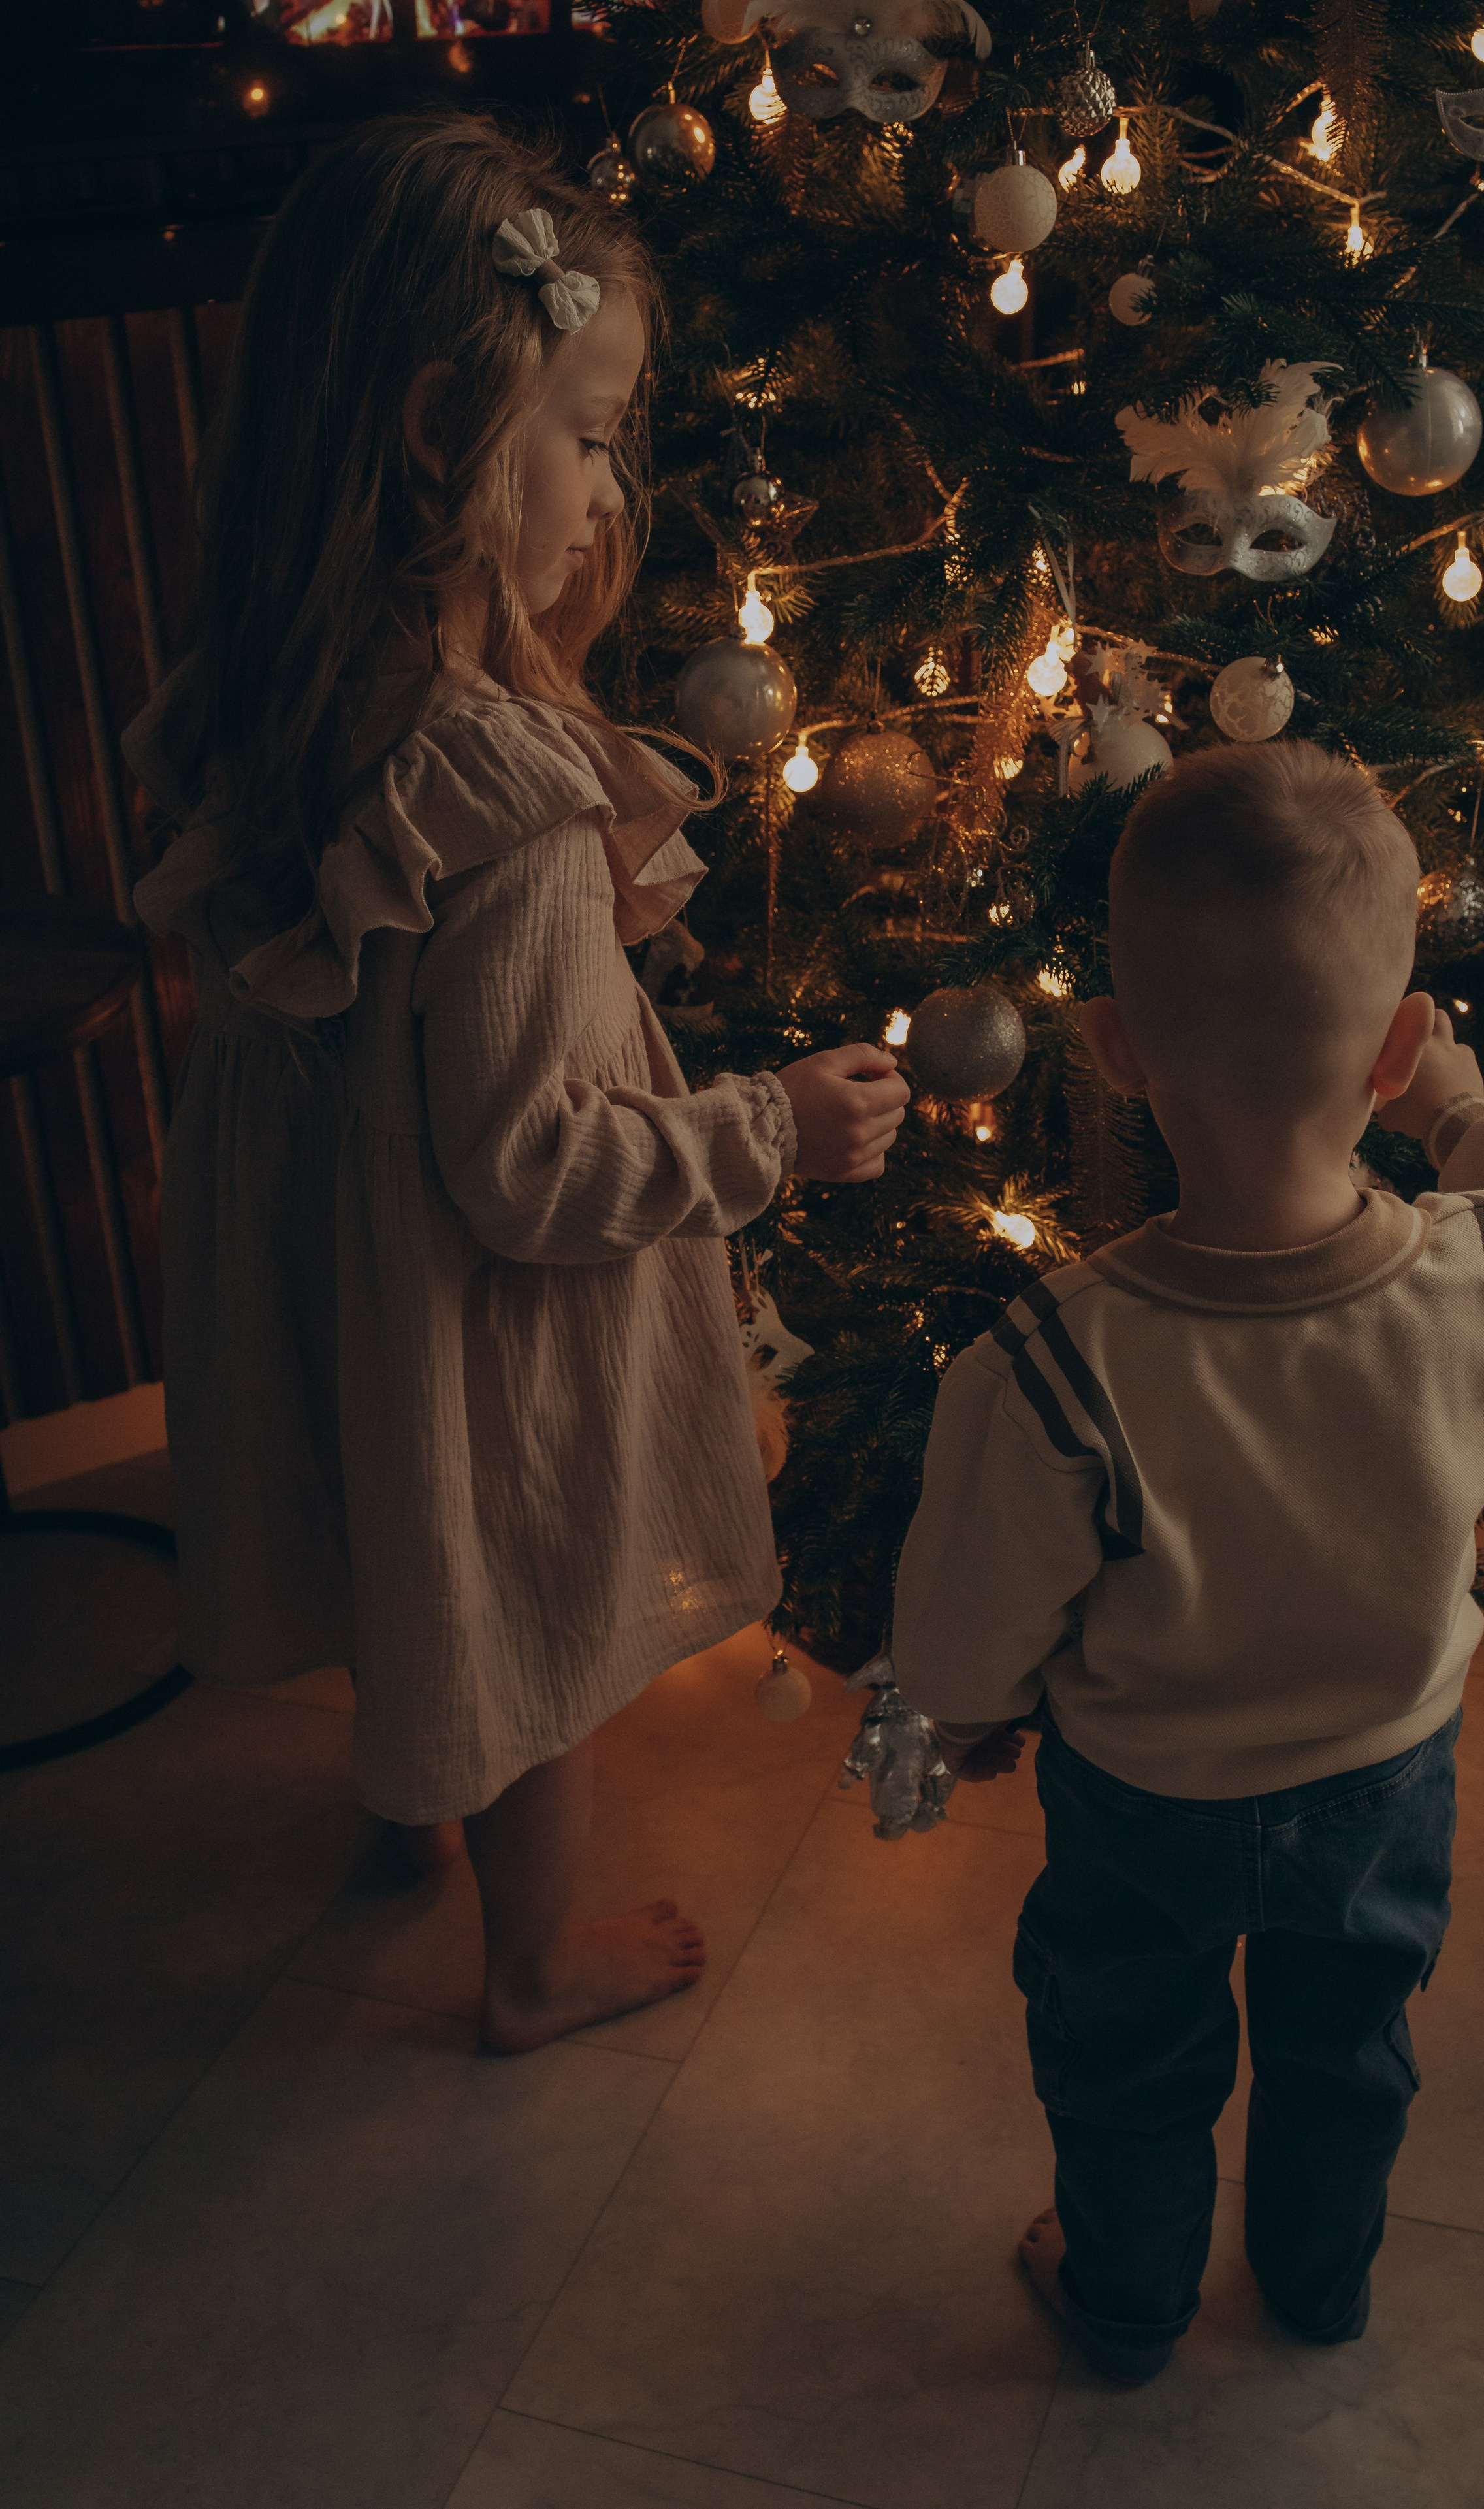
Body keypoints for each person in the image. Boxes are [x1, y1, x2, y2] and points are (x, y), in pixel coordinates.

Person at [125, 114, 908, 2055]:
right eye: (587, 430)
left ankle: (408, 1810)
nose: (608, 485)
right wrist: (769, 1133)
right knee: (527, 1605)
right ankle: (533, 1959)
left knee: (398, 1537)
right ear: (433, 430)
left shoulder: (278, 695)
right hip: (467, 1313)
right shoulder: (512, 806)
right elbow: (538, 1171)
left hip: (336, 1280)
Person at [891, 741, 1484, 2380]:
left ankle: (1126, 2301)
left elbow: (956, 1657)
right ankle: (1314, 2285)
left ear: (1106, 1052)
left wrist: (969, 1718)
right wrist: (1457, 1100)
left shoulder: (1045, 1359)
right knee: (1343, 2052)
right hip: (1383, 1783)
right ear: (1388, 1050)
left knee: (1126, 2064)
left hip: (1140, 1801)